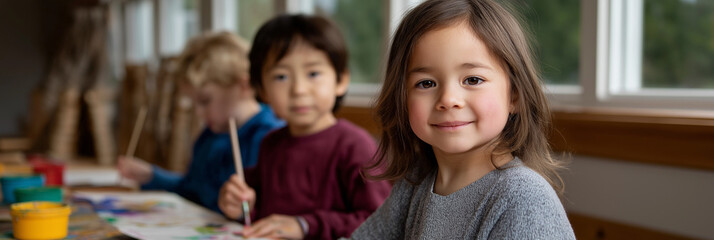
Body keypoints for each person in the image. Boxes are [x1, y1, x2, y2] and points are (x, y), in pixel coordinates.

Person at [350, 0, 575, 238]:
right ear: (401, 99)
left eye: (472, 80)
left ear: (515, 95)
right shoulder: (415, 184)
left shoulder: (524, 197)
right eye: (426, 83)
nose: (448, 99)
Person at [217, 15, 391, 240]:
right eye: (281, 76)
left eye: (313, 74)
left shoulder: (356, 146)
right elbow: (264, 217)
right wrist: (239, 206)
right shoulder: (271, 144)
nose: (299, 89)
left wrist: (304, 225)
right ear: (261, 89)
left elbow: (381, 223)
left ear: (341, 80)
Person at [117, 32, 284, 214]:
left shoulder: (269, 138)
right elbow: (192, 189)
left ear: (244, 85)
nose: (198, 112)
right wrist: (151, 176)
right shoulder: (208, 137)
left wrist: (244, 209)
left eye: (205, 101)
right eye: (194, 102)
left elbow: (274, 211)